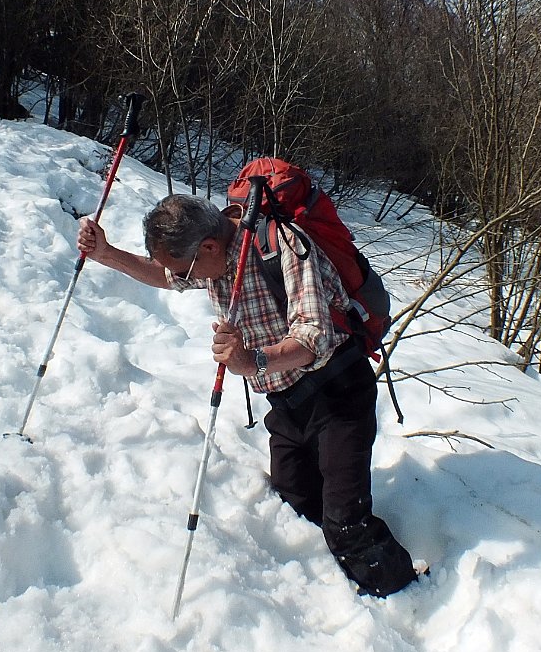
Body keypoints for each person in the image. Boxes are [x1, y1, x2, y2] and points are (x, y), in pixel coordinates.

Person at [77, 193, 419, 597]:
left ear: (208, 246)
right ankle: (338, 589)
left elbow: (313, 337)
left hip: (339, 393)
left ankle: (403, 595)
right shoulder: (207, 254)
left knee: (345, 520)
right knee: (297, 502)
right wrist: (105, 252)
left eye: (187, 269)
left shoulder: (283, 246)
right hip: (287, 406)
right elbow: (161, 273)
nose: (186, 277)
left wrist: (251, 361)